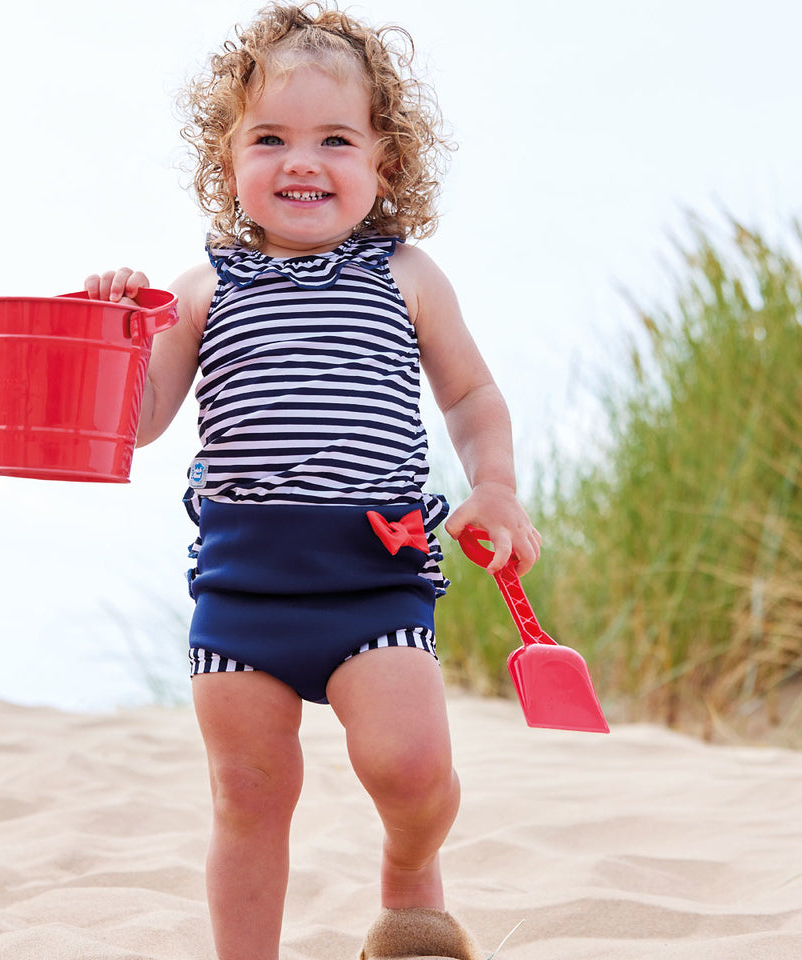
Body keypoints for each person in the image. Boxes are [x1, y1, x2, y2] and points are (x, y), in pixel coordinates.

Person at [85, 3, 540, 958]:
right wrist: (118, 335)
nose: (302, 160)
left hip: (373, 571)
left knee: (410, 767)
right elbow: (135, 425)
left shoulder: (406, 274)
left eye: (336, 138)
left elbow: (471, 396)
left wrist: (493, 486)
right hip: (244, 586)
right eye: (270, 138)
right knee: (249, 794)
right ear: (229, 163)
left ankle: (412, 876)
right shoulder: (199, 287)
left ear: (386, 164)